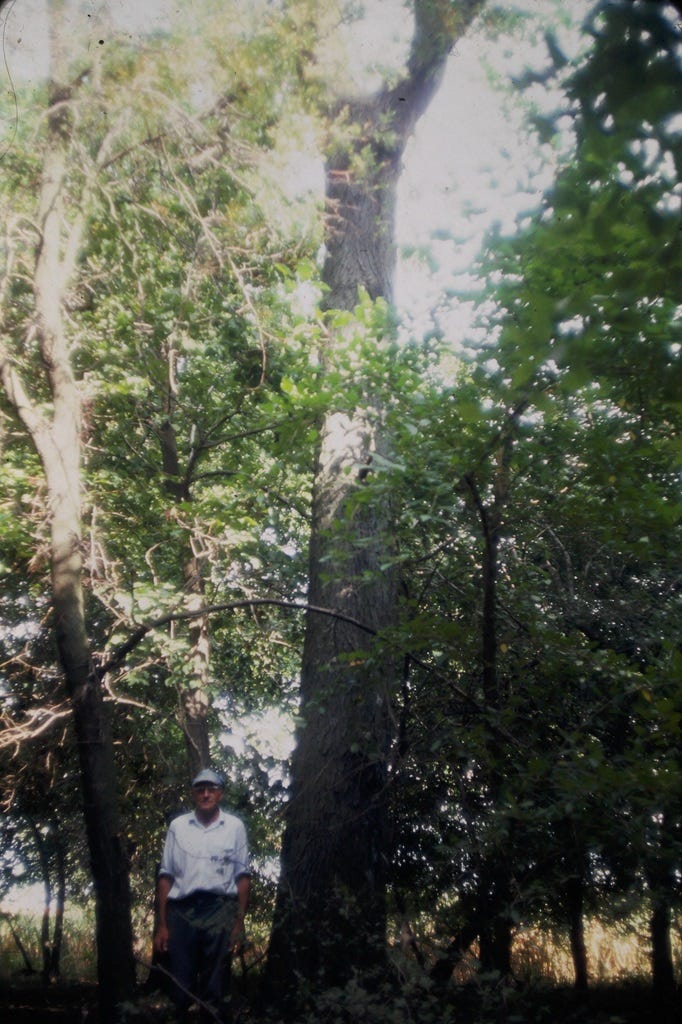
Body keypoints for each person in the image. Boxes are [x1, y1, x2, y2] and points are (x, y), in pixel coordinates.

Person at [153, 769, 250, 1023]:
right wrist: (162, 924)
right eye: (200, 790)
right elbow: (166, 876)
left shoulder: (234, 827)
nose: (206, 794)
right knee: (179, 985)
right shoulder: (178, 827)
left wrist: (239, 922)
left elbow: (242, 877)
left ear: (220, 794)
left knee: (215, 986)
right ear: (193, 793)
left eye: (211, 789)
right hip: (182, 911)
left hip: (220, 909)